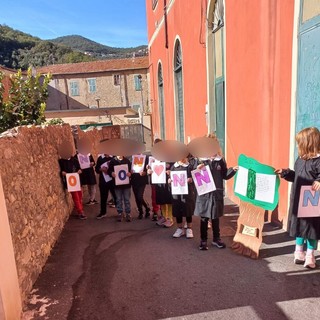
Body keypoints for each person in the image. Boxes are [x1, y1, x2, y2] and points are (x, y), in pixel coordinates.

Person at [275, 127, 320, 269]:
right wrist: (286, 173)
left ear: (308, 143)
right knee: (299, 227)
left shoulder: (318, 161)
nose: (297, 146)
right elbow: (296, 176)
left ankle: (310, 255)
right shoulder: (300, 160)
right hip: (298, 199)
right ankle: (299, 252)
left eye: (299, 143)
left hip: (312, 202)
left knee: (313, 229)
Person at [194, 133, 238, 250]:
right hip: (204, 194)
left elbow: (224, 175)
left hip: (216, 193)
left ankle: (216, 239)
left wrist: (232, 171)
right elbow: (192, 175)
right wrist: (196, 169)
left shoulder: (220, 160)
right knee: (204, 218)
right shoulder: (199, 160)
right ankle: (203, 240)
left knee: (215, 217)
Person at [169, 156, 196, 238]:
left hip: (187, 193)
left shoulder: (189, 166)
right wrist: (169, 181)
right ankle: (180, 229)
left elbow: (195, 178)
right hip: (177, 192)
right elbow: (170, 178)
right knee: (177, 209)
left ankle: (189, 228)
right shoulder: (173, 167)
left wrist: (191, 180)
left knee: (188, 209)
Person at [59, 155, 87, 220]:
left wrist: (79, 171)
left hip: (77, 180)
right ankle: (80, 212)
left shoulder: (74, 160)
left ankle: (81, 209)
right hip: (70, 182)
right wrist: (63, 173)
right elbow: (61, 171)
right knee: (76, 197)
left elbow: (79, 168)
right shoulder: (62, 161)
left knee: (79, 196)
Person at [108, 155, 132, 222]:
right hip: (117, 184)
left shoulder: (127, 161)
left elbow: (130, 171)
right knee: (118, 199)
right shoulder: (112, 161)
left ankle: (128, 213)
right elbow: (109, 171)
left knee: (127, 199)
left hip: (126, 184)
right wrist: (111, 173)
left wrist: (130, 173)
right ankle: (120, 213)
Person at [95, 153, 116, 219]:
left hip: (113, 181)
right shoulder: (100, 158)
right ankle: (103, 212)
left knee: (116, 197)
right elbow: (96, 169)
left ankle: (120, 212)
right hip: (103, 181)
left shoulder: (114, 157)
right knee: (103, 198)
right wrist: (101, 169)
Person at [131, 155, 151, 219]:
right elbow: (128, 167)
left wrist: (145, 172)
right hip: (134, 179)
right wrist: (130, 171)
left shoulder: (146, 157)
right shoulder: (131, 157)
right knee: (136, 197)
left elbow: (148, 168)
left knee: (140, 196)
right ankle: (141, 212)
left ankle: (146, 208)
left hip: (142, 180)